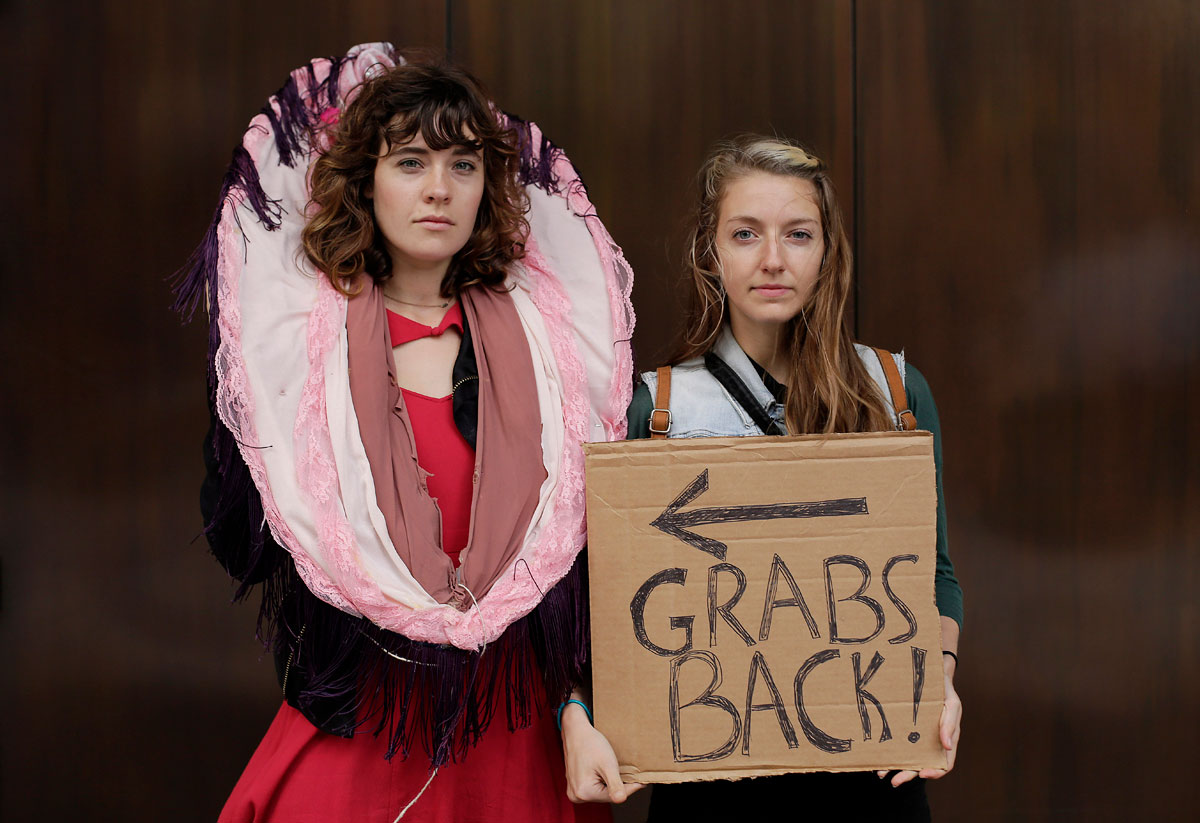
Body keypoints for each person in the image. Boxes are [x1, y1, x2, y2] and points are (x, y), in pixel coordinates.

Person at [177, 43, 638, 821]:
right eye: (411, 161)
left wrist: (576, 712)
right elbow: (238, 547)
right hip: (362, 734)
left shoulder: (549, 349)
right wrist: (248, 422)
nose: (438, 189)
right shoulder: (299, 349)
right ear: (366, 181)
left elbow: (581, 574)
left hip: (513, 742)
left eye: (463, 165)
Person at [625, 135, 963, 820]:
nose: (772, 259)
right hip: (711, 783)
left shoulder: (894, 390)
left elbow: (936, 572)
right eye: (745, 234)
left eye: (798, 234)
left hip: (869, 769)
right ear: (710, 252)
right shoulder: (658, 409)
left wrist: (941, 684)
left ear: (827, 252)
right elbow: (619, 603)